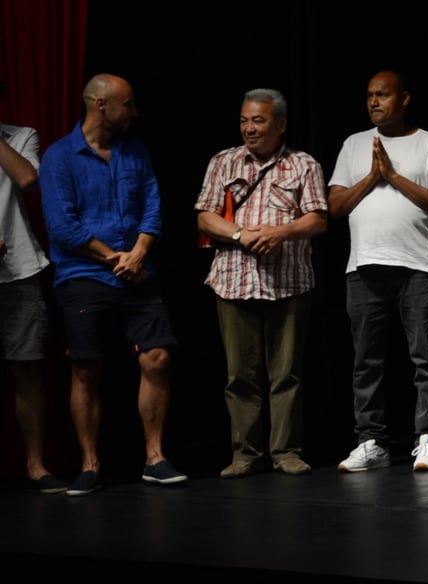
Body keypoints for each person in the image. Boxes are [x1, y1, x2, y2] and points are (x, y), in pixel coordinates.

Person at [39, 73, 187, 495]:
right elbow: (63, 226)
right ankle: (89, 464)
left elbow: (153, 206)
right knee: (86, 366)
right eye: (128, 104)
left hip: (138, 271)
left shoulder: (134, 150)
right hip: (84, 275)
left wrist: (138, 253)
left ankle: (155, 458)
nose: (134, 112)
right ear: (101, 105)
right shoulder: (59, 157)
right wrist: (115, 258)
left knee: (157, 357)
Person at [329, 69, 428, 472]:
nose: (373, 102)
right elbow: (335, 206)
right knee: (366, 361)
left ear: (404, 99)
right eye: (369, 95)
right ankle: (371, 442)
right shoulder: (353, 145)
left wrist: (393, 176)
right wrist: (372, 176)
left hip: (418, 267)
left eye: (382, 95)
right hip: (364, 268)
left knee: (427, 359)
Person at [195, 88, 327, 477]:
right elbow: (204, 217)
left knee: (286, 373)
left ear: (280, 124)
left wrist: (280, 233)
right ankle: (245, 454)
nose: (249, 129)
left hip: (288, 281)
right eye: (244, 121)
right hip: (233, 281)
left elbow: (318, 219)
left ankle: (286, 450)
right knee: (240, 374)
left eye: (258, 121)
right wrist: (241, 235)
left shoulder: (304, 164)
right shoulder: (223, 161)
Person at [0, 89, 67, 494]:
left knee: (27, 369)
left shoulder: (21, 135)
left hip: (20, 271)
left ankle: (36, 465)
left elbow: (28, 179)